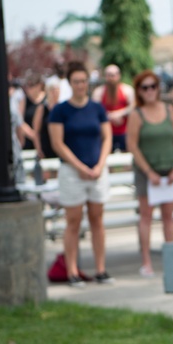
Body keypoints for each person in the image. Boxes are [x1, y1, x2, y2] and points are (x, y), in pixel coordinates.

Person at [49, 61, 114, 287]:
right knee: (73, 221)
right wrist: (80, 167)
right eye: (76, 81)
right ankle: (72, 270)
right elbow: (58, 144)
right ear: (70, 83)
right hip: (72, 172)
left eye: (84, 81)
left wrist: (99, 165)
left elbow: (107, 137)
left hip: (96, 170)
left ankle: (101, 269)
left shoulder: (97, 108)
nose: (80, 85)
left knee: (97, 218)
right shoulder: (60, 110)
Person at [127, 71, 173, 277]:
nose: (150, 91)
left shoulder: (169, 110)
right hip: (147, 172)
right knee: (146, 217)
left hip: (169, 170)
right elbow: (132, 145)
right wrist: (149, 171)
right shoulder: (137, 114)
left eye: (153, 86)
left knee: (169, 217)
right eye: (145, 87)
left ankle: (172, 260)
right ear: (139, 91)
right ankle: (147, 262)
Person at [91, 64, 135, 153]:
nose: (112, 78)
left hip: (125, 132)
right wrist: (110, 116)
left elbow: (133, 107)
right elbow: (94, 111)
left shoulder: (127, 90)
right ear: (105, 76)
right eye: (110, 75)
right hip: (106, 133)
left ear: (119, 75)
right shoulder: (98, 92)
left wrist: (120, 114)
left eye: (114, 75)